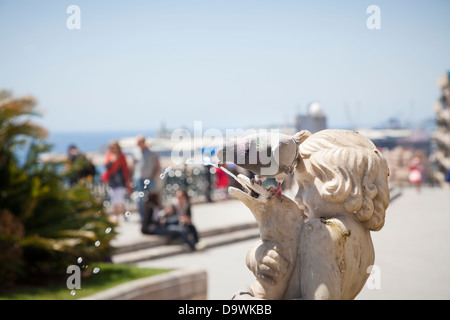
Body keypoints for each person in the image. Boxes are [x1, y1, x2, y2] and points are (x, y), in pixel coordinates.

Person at [101, 140, 132, 223]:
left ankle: (124, 215)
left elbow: (126, 169)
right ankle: (116, 216)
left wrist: (128, 181)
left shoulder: (122, 156)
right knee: (114, 199)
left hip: (120, 180)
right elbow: (107, 167)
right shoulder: (109, 156)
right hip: (112, 180)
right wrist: (112, 160)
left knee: (120, 199)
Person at [132, 135, 161, 220]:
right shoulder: (135, 152)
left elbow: (158, 165)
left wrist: (153, 175)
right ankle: (142, 217)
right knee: (140, 199)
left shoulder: (151, 152)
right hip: (138, 178)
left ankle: (155, 216)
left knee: (153, 197)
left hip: (149, 178)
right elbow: (133, 165)